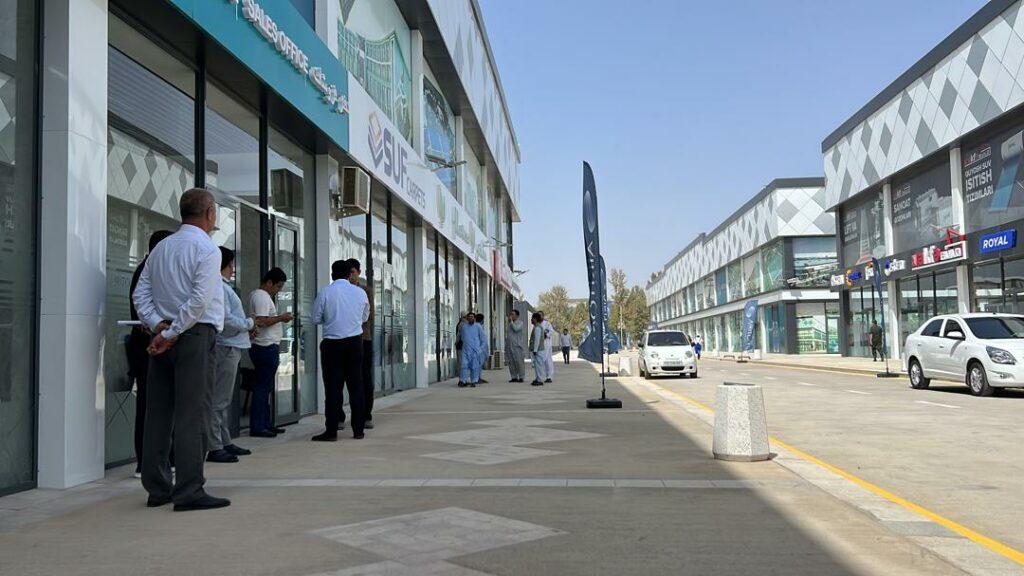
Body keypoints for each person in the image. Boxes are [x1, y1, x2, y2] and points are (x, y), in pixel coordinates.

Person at [132, 187, 229, 511]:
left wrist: (158, 325)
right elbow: (200, 301)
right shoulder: (207, 249)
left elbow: (140, 294)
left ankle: (157, 488)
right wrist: (172, 331)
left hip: (163, 337)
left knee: (158, 413)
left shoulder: (161, 248)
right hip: (194, 336)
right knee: (193, 413)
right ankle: (189, 490)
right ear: (210, 214)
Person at [127, 229, 173, 478]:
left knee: (159, 403)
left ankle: (161, 458)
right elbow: (142, 309)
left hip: (155, 344)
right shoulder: (147, 271)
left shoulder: (153, 270)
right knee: (149, 404)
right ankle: (145, 462)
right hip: (148, 346)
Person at [311, 259, 370, 442]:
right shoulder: (360, 293)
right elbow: (365, 317)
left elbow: (315, 318)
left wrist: (331, 320)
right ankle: (358, 430)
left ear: (332, 274)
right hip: (355, 343)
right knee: (356, 386)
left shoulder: (326, 292)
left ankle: (331, 431)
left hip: (332, 344)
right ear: (349, 274)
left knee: (333, 388)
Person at [207, 247, 254, 464]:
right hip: (225, 346)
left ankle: (224, 441)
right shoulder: (219, 287)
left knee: (223, 399)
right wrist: (249, 323)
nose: (233, 268)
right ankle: (215, 446)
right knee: (218, 399)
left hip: (230, 346)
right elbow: (225, 319)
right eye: (231, 264)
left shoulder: (223, 286)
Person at [248, 268, 293, 437]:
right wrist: (281, 317)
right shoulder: (261, 296)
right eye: (278, 286)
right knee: (262, 387)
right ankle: (258, 426)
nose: (278, 290)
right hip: (264, 346)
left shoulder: (261, 296)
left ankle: (265, 423)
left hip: (267, 346)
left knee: (266, 387)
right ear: (269, 282)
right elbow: (261, 320)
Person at [338, 258, 375, 430]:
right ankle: (339, 416)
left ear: (359, 272)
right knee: (339, 379)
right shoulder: (339, 290)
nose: (351, 276)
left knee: (364, 378)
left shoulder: (365, 291)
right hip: (342, 339)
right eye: (348, 273)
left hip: (362, 339)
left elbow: (370, 316)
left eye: (353, 272)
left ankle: (366, 415)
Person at [458, 312, 487, 387]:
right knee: (464, 365)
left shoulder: (478, 327)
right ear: (467, 318)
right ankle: (463, 381)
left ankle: (474, 381)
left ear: (474, 318)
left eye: (472, 317)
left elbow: (483, 339)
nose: (470, 318)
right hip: (465, 349)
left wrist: (480, 349)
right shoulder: (464, 327)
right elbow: (462, 338)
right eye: (469, 317)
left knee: (474, 366)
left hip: (475, 350)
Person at [505, 310, 526, 383]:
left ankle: (521, 377)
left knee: (519, 362)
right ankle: (513, 377)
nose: (511, 316)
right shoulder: (509, 324)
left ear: (517, 316)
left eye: (513, 314)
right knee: (511, 362)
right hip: (509, 345)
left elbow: (516, 329)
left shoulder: (520, 323)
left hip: (517, 346)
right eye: (511, 314)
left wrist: (511, 322)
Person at [529, 313, 548, 386]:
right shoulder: (537, 327)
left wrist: (535, 350)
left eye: (532, 318)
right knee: (537, 366)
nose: (531, 320)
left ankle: (540, 380)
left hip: (538, 350)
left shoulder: (537, 328)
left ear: (536, 319)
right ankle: (537, 378)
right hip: (538, 350)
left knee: (539, 365)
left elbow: (537, 340)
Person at [474, 312, 491, 383]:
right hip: (479, 349)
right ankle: (476, 378)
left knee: (479, 365)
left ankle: (478, 378)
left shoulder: (478, 326)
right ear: (481, 320)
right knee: (477, 365)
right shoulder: (477, 327)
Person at [539, 312, 555, 383]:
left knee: (548, 360)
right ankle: (541, 376)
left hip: (546, 344)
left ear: (543, 316)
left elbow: (551, 331)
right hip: (539, 345)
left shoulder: (547, 323)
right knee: (541, 361)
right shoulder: (536, 324)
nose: (539, 316)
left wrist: (546, 335)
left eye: (540, 315)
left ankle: (549, 377)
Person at [454, 312, 467, 385]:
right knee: (462, 363)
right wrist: (456, 342)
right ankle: (462, 380)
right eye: (466, 317)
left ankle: (462, 379)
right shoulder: (462, 324)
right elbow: (459, 335)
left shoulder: (461, 324)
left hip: (461, 346)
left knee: (462, 363)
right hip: (461, 346)